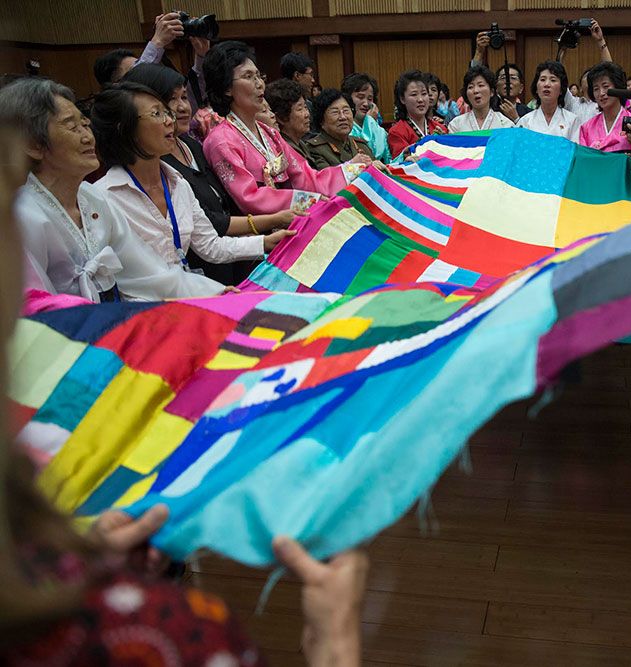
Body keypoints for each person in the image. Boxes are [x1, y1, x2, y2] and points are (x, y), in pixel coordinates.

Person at [0, 127, 371, 666]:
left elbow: (198, 249)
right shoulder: (158, 636)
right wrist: (335, 645)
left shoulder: (126, 191)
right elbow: (154, 281)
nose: (86, 132)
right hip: (131, 336)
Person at [0, 78, 225, 301]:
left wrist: (215, 292)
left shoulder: (93, 199)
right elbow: (32, 307)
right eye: (72, 127)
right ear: (33, 145)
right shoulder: (18, 217)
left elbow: (150, 274)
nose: (88, 137)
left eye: (85, 125)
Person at [91, 83, 287, 278]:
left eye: (167, 113)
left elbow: (210, 246)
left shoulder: (178, 184)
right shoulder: (103, 197)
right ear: (124, 128)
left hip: (188, 292)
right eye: (156, 114)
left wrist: (266, 242)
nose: (169, 121)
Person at [201, 41, 356, 215]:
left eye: (258, 76)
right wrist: (307, 202)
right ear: (227, 88)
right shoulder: (221, 141)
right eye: (248, 76)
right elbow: (249, 199)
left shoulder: (269, 133)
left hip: (292, 219)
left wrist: (354, 168)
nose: (259, 83)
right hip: (261, 234)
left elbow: (305, 178)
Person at [93, 13, 209, 114]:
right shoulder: (123, 120)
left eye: (140, 65)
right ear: (114, 87)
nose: (146, 74)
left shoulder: (171, 111)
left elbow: (194, 97)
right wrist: (157, 42)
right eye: (135, 70)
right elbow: (135, 89)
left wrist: (201, 56)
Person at [304, 88, 376, 168]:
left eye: (346, 111)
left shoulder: (361, 145)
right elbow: (326, 178)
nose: (343, 117)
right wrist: (354, 166)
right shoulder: (314, 149)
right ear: (321, 120)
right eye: (335, 112)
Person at [578, 61, 631, 154]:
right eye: (596, 89)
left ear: (617, 87)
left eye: (605, 86)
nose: (601, 93)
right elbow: (584, 160)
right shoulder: (586, 127)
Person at [387, 70, 448, 160]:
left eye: (424, 94)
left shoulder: (440, 128)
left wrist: (445, 141)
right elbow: (400, 163)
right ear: (402, 99)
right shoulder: (397, 132)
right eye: (414, 94)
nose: (420, 99)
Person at [515, 60, 582, 142]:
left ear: (561, 89)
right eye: (542, 80)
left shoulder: (572, 120)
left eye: (553, 80)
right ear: (536, 88)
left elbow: (576, 151)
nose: (547, 84)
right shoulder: (525, 121)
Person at [447, 65, 514, 133]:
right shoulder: (456, 125)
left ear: (492, 92)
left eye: (481, 85)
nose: (475, 90)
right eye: (470, 87)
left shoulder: (505, 124)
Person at [342, 72, 391, 163]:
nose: (365, 104)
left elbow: (389, 162)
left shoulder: (380, 131)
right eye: (360, 97)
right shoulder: (344, 128)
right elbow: (367, 155)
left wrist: (403, 156)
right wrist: (369, 122)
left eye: (370, 99)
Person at [264, 78, 313, 164]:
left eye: (305, 107)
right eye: (300, 109)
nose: (307, 114)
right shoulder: (283, 150)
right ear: (281, 118)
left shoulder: (301, 143)